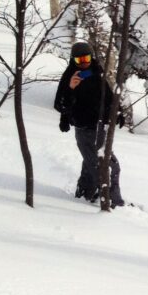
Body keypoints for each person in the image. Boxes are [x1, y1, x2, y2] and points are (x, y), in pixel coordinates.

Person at [54, 41, 124, 207]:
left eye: (86, 58)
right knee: (107, 167)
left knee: (91, 165)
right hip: (84, 129)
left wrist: (118, 112)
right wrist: (71, 88)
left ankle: (85, 193)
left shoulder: (96, 72)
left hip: (100, 128)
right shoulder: (70, 76)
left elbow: (107, 96)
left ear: (91, 57)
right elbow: (60, 104)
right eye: (79, 60)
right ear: (73, 61)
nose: (84, 62)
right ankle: (113, 202)